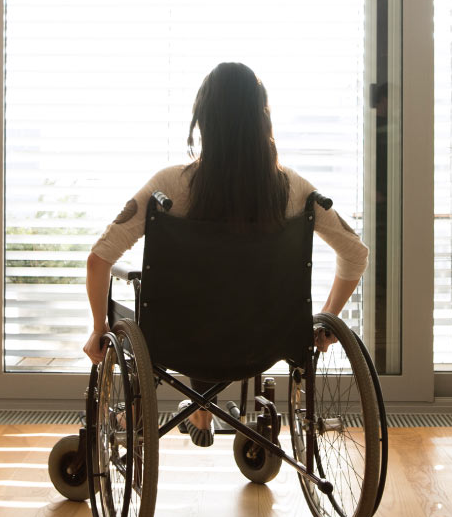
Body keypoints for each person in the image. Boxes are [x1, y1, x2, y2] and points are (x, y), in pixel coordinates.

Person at [82, 61, 368, 446]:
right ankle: (202, 409)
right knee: (229, 302)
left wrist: (99, 330)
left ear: (203, 121)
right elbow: (355, 253)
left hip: (181, 340)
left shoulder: (169, 187)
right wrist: (326, 319)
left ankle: (173, 410)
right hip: (263, 340)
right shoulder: (295, 191)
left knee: (187, 306)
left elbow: (99, 259)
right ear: (263, 121)